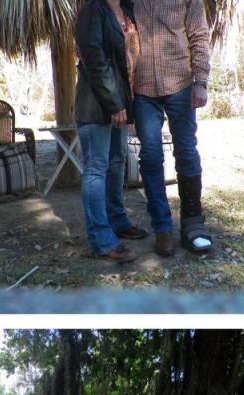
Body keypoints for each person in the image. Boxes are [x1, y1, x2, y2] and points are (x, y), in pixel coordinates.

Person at [133, 0, 213, 256]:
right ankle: (162, 229)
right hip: (142, 90)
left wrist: (200, 81)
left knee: (187, 152)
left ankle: (193, 225)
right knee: (151, 156)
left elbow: (199, 35)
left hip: (181, 84)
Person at [74, 0, 147, 263]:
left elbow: (126, 63)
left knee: (116, 164)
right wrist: (114, 103)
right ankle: (101, 240)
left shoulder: (127, 10)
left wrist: (126, 104)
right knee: (96, 169)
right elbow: (94, 60)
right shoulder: (93, 10)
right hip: (96, 105)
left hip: (119, 104)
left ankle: (118, 220)